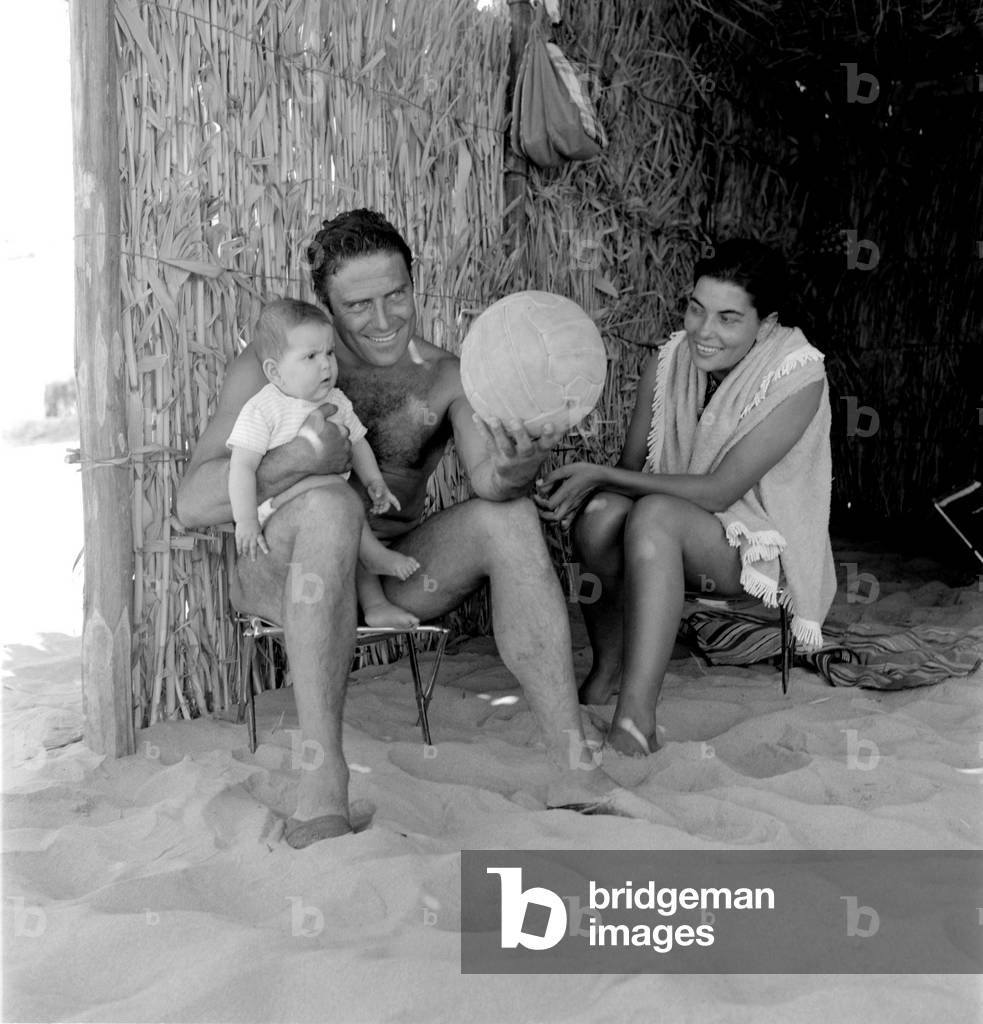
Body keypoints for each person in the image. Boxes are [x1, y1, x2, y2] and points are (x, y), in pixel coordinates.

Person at [177, 208, 627, 847]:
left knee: (511, 516)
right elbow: (191, 505)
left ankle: (573, 769)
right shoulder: (272, 368)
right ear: (326, 306)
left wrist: (518, 466)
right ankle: (323, 781)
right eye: (358, 305)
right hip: (281, 570)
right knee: (332, 506)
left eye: (397, 296)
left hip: (391, 575)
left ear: (416, 284)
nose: (383, 320)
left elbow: (490, 482)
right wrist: (296, 461)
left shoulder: (445, 376)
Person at [537, 239, 836, 757]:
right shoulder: (671, 360)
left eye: (727, 318)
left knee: (653, 516)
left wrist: (597, 472)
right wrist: (587, 484)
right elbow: (631, 471)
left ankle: (635, 722)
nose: (703, 331)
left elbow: (722, 490)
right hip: (677, 524)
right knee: (602, 513)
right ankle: (608, 667)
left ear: (765, 324)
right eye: (696, 309)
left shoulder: (797, 374)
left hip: (756, 546)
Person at [227, 297, 421, 630]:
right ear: (275, 372)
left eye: (329, 353)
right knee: (341, 505)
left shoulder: (336, 400)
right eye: (311, 357)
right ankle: (373, 554)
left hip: (331, 501)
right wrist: (245, 520)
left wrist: (375, 482)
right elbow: (242, 467)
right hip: (280, 509)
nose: (326, 365)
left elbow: (357, 442)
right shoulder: (264, 409)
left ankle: (375, 606)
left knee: (346, 513)